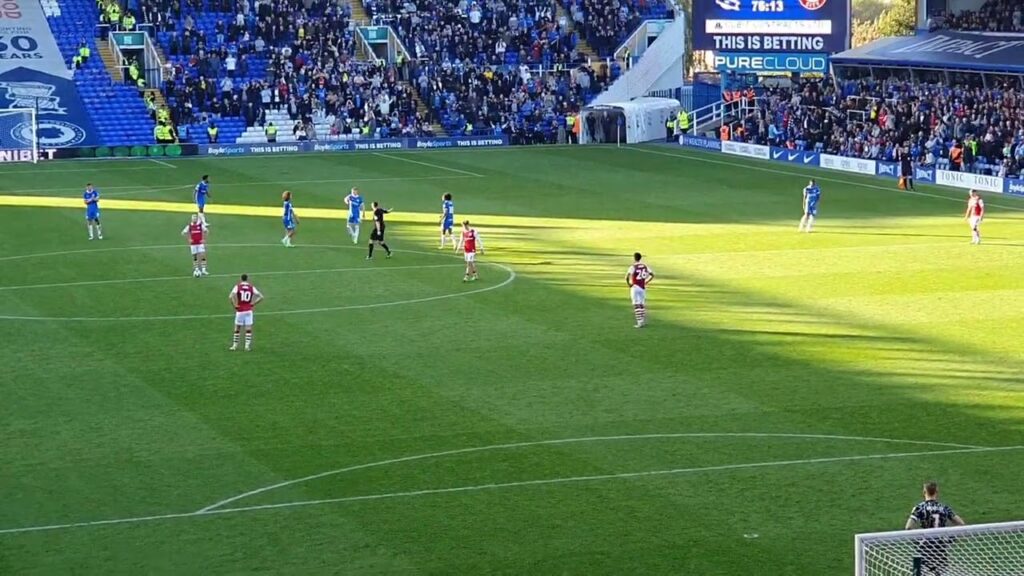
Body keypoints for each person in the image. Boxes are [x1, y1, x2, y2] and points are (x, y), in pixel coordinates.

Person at [906, 482, 966, 576]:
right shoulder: (944, 508)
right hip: (940, 549)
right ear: (937, 492)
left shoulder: (920, 508)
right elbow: (961, 524)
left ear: (924, 492)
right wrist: (949, 540)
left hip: (924, 549)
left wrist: (918, 541)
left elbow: (908, 527)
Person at [229, 274, 263, 351]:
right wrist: (253, 303)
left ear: (241, 279)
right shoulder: (251, 287)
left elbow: (230, 296)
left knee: (237, 328)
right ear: (247, 279)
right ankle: (247, 346)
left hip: (240, 310)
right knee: (248, 328)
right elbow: (261, 297)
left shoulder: (237, 286)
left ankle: (234, 346)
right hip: (248, 310)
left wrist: (235, 305)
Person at [626, 252, 654, 328]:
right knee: (642, 304)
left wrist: (629, 284)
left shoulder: (633, 267)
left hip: (635, 287)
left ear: (634, 258)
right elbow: (652, 275)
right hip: (642, 287)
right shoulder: (645, 266)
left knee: (636, 304)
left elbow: (627, 277)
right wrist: (646, 281)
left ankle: (639, 322)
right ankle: (642, 321)